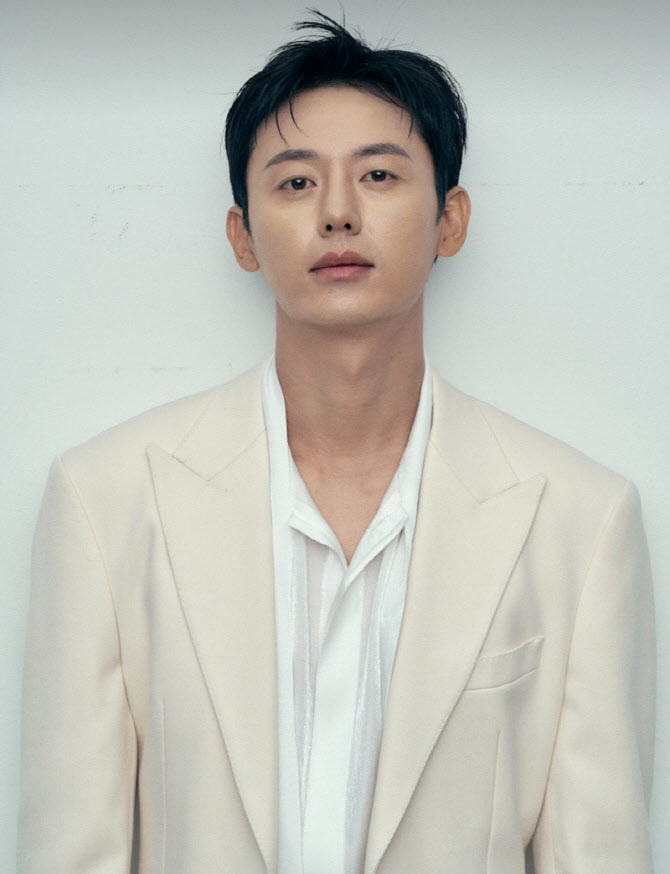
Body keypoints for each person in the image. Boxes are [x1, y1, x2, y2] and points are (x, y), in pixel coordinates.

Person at [18, 11, 655, 874]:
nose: (339, 213)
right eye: (295, 183)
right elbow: (68, 850)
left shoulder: (582, 522)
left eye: (379, 175)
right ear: (242, 235)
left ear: (451, 221)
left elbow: (600, 854)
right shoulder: (105, 501)